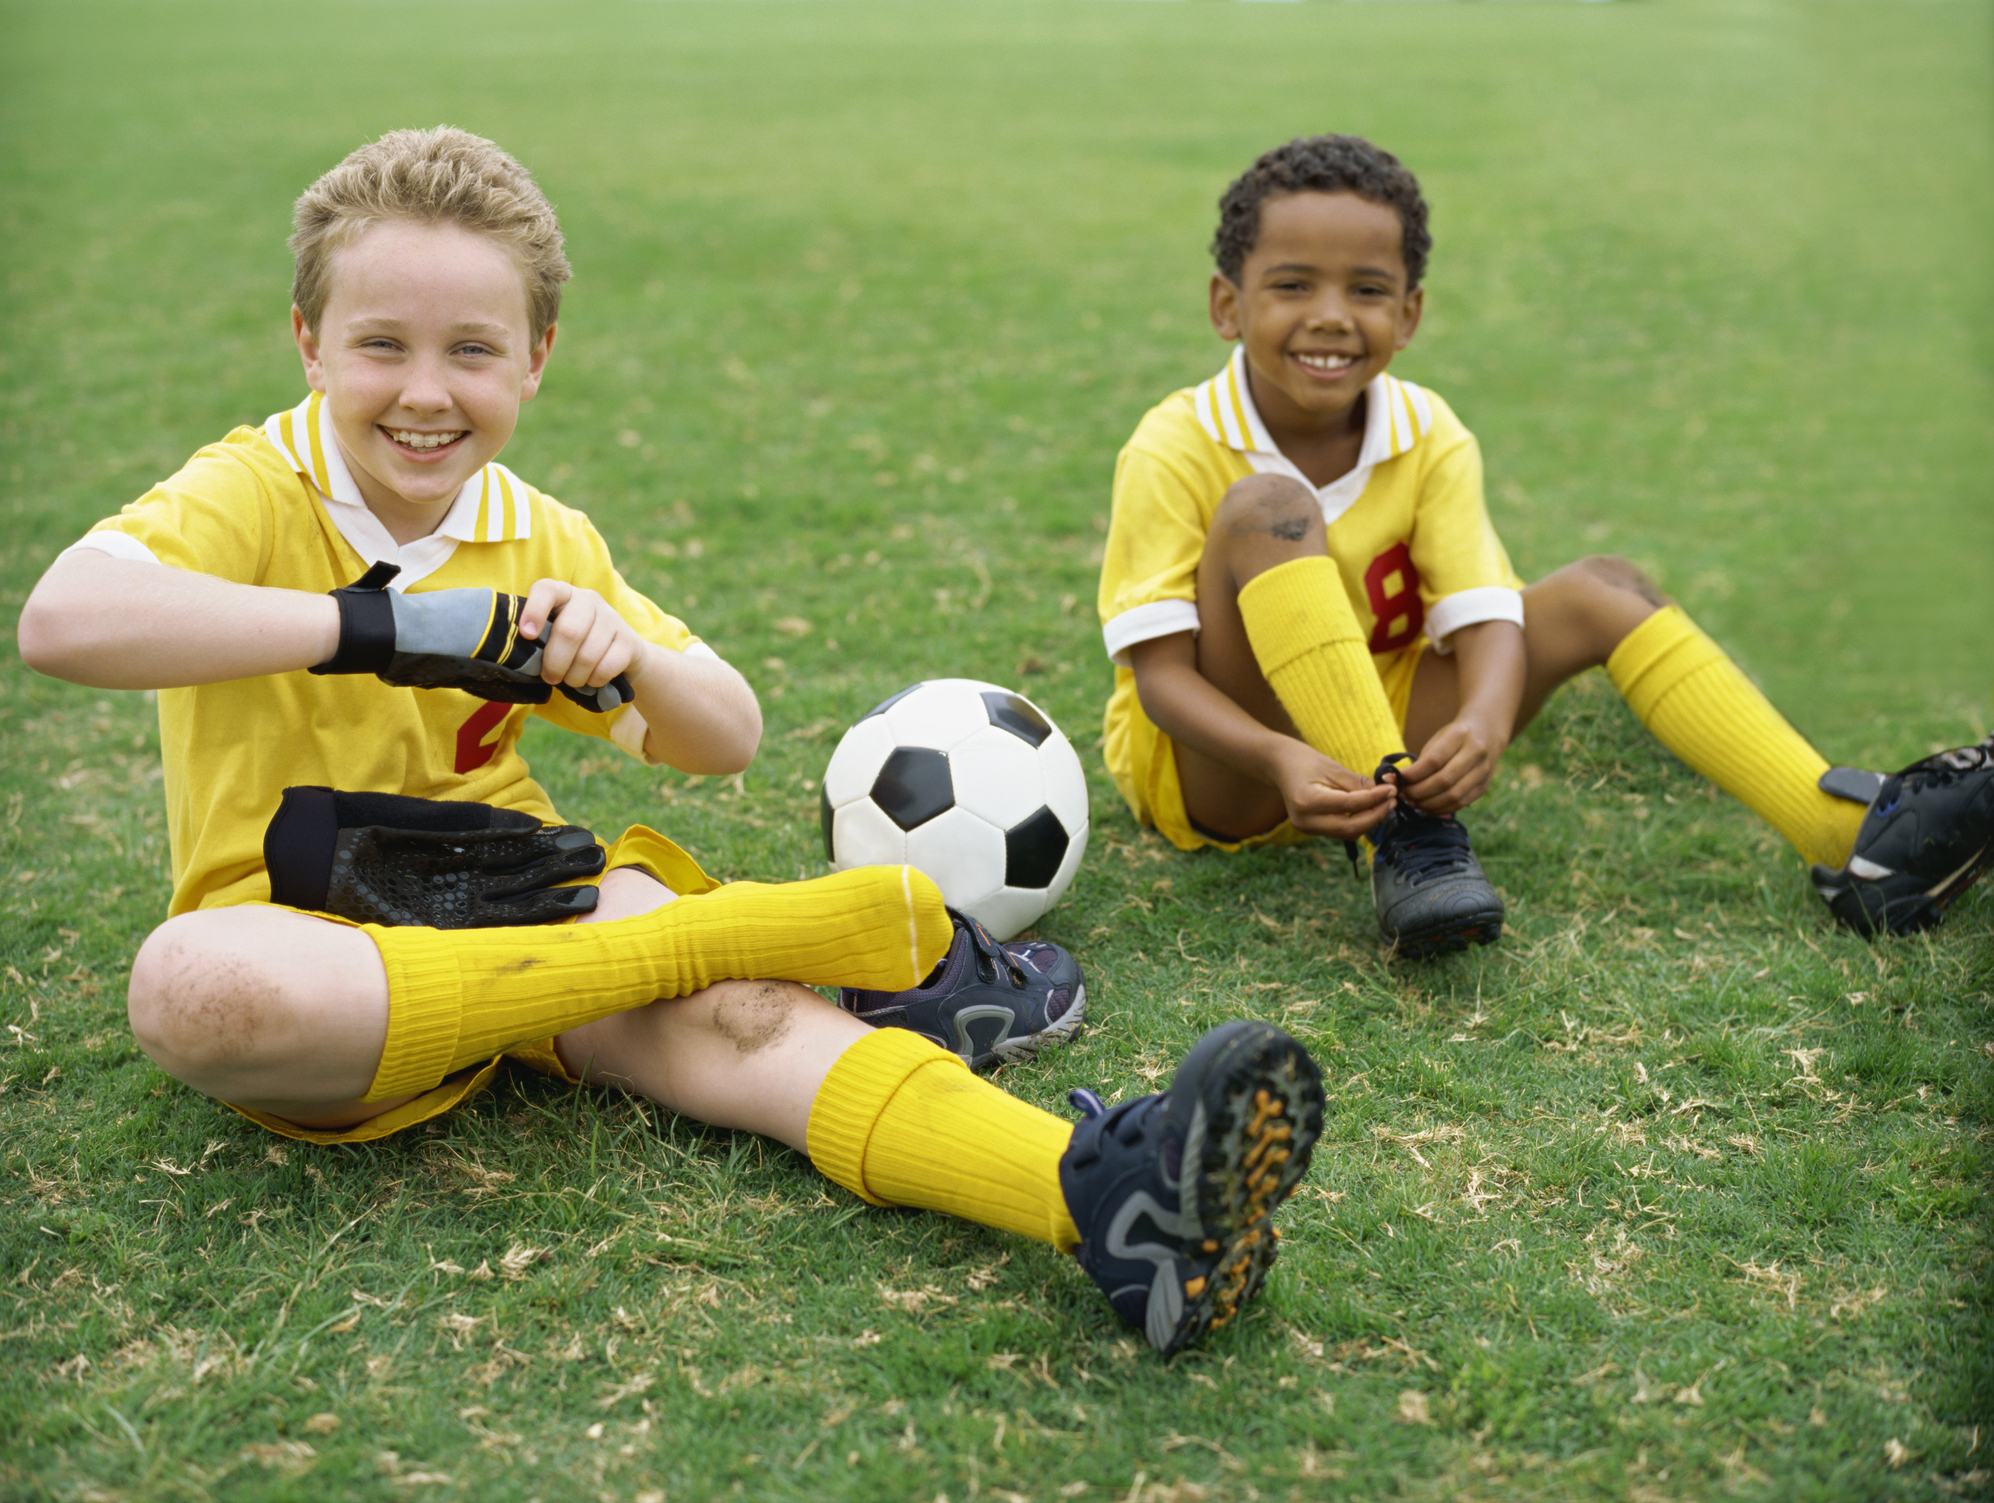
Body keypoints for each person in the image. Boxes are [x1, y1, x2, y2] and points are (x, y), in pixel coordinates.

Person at [15, 126, 1324, 1356]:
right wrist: (374, 622)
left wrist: (623, 652)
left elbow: (725, 734)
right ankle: (807, 923)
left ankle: (1100, 1199)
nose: (425, 392)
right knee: (189, 986)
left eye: (472, 350)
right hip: (312, 956)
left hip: (518, 895)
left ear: (534, 358)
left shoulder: (539, 533)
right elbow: (64, 619)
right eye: (380, 346)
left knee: (751, 1024)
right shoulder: (254, 485)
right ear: (308, 343)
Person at [1095, 134, 1994, 956]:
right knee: (1267, 505)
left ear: (1408, 315)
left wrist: (1483, 722)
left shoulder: (1427, 430)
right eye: (1293, 285)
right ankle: (1408, 845)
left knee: (1604, 586)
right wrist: (1283, 757)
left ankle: (1849, 836)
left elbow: (1486, 618)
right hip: (1232, 774)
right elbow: (1163, 681)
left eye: (1366, 290)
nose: (1332, 316)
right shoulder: (1175, 443)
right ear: (1227, 303)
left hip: (1387, 742)